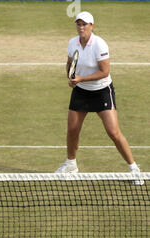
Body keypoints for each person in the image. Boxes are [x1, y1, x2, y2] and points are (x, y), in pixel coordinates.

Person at [56, 12, 142, 179]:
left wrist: (81, 78)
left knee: (113, 132)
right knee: (72, 129)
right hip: (81, 90)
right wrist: (71, 77)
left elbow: (105, 72)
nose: (81, 27)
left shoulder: (100, 44)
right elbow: (69, 64)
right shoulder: (72, 43)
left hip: (102, 91)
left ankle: (134, 169)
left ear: (92, 26)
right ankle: (71, 164)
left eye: (84, 24)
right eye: (78, 24)